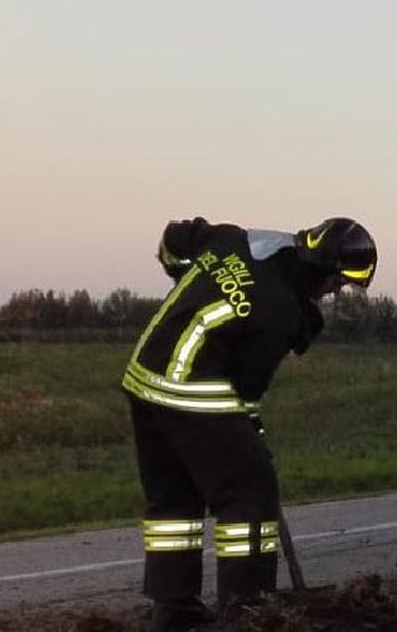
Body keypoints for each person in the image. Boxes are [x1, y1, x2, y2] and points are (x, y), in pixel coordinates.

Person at [121, 216, 376, 630]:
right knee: (250, 495)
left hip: (142, 379)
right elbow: (247, 386)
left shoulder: (232, 240)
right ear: (322, 269)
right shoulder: (281, 311)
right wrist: (250, 431)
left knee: (174, 504)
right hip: (192, 392)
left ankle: (173, 610)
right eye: (337, 282)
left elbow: (174, 239)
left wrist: (186, 276)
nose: (334, 292)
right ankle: (249, 611)